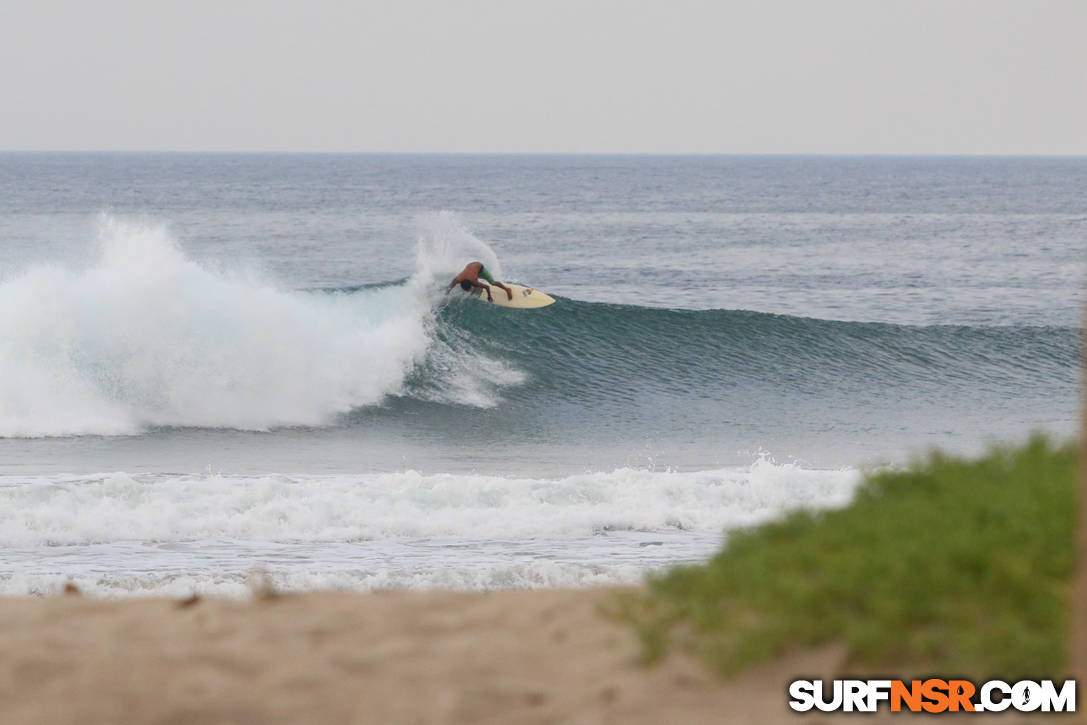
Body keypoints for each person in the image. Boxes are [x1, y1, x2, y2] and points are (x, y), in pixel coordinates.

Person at [445, 261, 513, 302]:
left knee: (492, 283)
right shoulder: (457, 279)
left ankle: (507, 289)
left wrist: (489, 297)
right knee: (475, 283)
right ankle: (475, 288)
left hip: (480, 268)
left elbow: (487, 287)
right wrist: (446, 294)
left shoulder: (474, 281)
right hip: (470, 266)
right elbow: (450, 286)